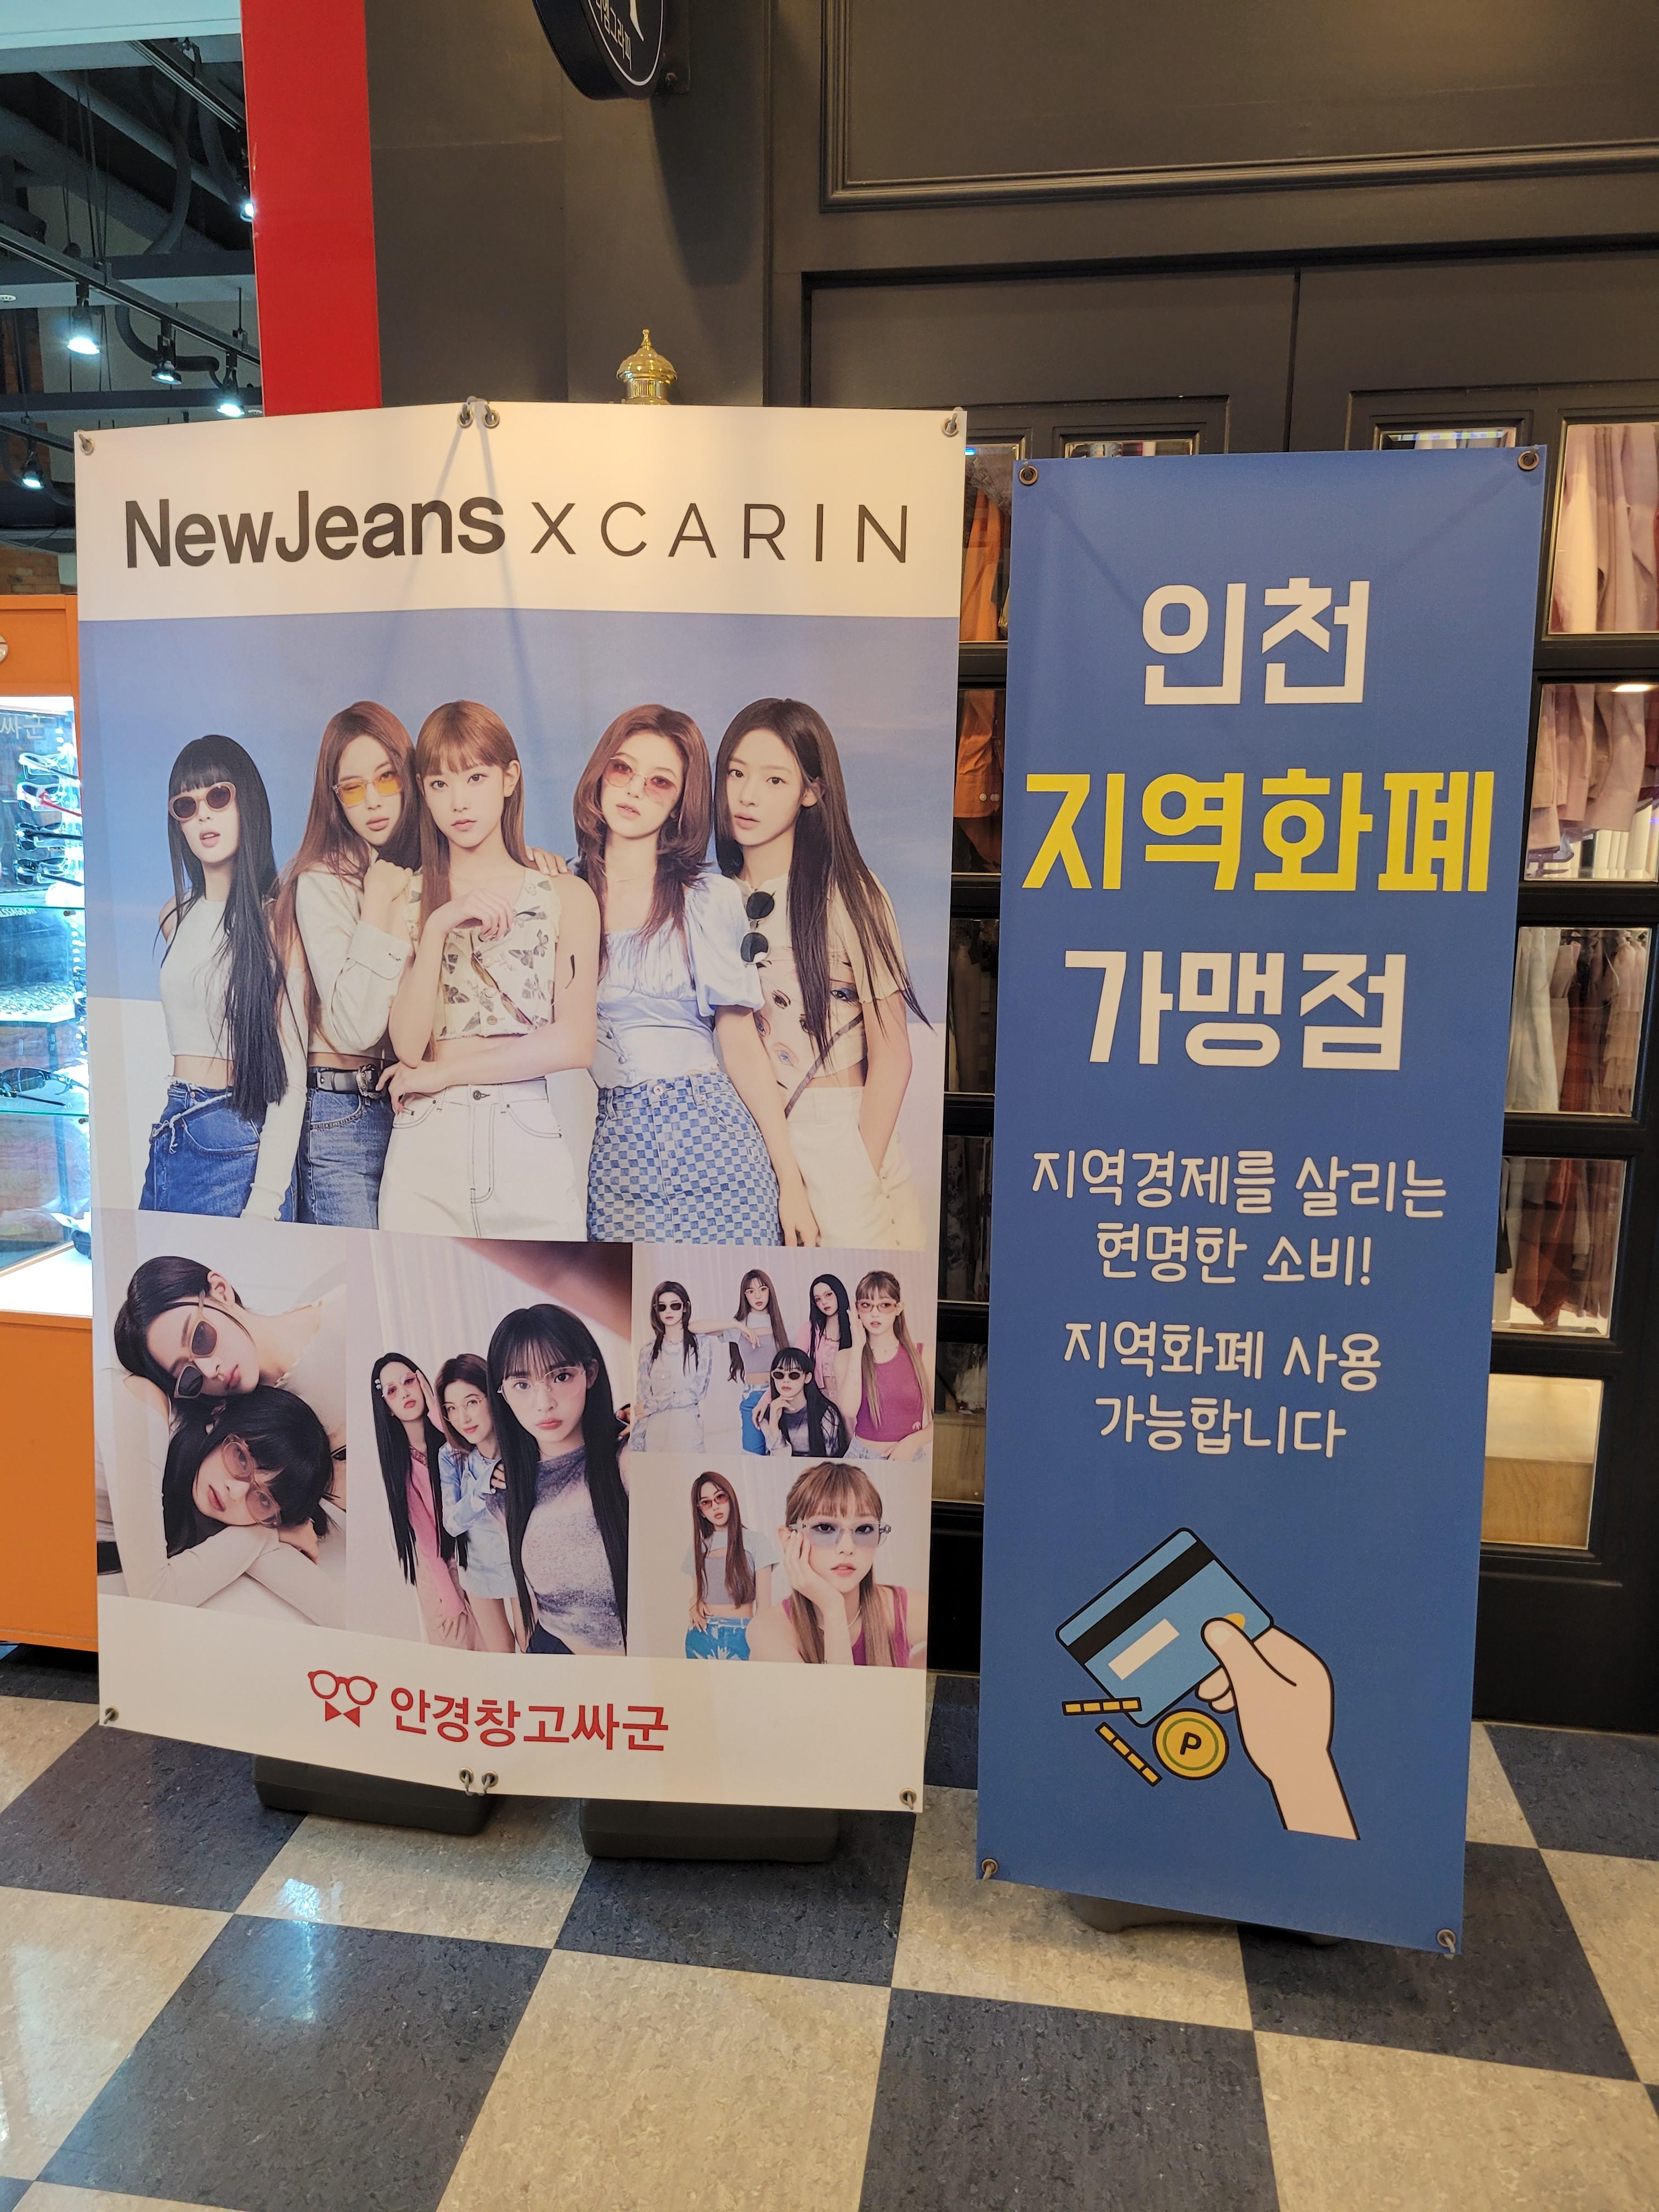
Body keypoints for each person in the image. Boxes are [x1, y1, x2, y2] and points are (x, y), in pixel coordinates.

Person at [573, 704, 809, 1243]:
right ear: (600, 774)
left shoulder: (708, 898)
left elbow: (741, 1044)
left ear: (681, 803)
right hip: (619, 1152)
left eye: (659, 782)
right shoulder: (563, 894)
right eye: (622, 769)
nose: (634, 790)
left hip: (719, 1145)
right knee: (634, 1291)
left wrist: (790, 1183)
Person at [378, 701, 599, 1236]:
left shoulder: (564, 894)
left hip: (524, 1126)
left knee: (549, 1287)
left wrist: (447, 1072)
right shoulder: (408, 897)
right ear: (423, 791)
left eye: (475, 778)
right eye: (440, 784)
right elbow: (408, 1046)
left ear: (509, 778)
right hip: (427, 1137)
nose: (459, 802)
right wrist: (437, 926)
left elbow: (575, 1044)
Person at [716, 697, 927, 1249]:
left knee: (864, 1297)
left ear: (811, 792)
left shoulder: (850, 894)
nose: (747, 795)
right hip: (747, 1139)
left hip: (838, 1132)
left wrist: (857, 1172)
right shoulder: (712, 901)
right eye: (736, 773)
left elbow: (894, 1055)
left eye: (774, 780)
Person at [142, 736, 304, 1220]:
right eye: (186, 806)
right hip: (173, 1128)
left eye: (218, 796)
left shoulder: (278, 920)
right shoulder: (174, 915)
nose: (203, 816)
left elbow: (291, 1076)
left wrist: (267, 1201)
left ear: (247, 801)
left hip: (234, 1138)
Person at [272, 702, 421, 1227]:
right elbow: (356, 1026)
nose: (373, 801)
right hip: (342, 1116)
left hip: (416, 1110)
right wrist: (377, 902)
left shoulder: (427, 872)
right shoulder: (322, 880)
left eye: (387, 778)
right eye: (353, 788)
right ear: (334, 798)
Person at [112, 1253, 347, 1491]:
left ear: (221, 1291)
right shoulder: (249, 1438)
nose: (210, 1371)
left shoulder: (349, 1310)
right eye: (189, 1377)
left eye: (200, 1338)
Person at [116, 1385, 342, 1622]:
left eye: (263, 1499)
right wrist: (265, 1535)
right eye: (241, 1458)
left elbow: (338, 1612)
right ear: (219, 1416)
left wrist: (265, 1533)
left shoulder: (248, 1519)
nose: (235, 1492)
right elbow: (154, 1595)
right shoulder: (149, 1420)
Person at [487, 1304, 628, 1654]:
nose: (543, 1403)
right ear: (502, 1393)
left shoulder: (627, 1461)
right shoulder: (505, 1493)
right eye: (522, 1384)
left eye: (561, 1377)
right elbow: (532, 1599)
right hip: (553, 1659)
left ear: (589, 1374)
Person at [747, 1463, 926, 1667]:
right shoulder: (769, 1630)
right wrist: (833, 1607)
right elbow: (837, 1690)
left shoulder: (903, 1610)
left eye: (864, 1529)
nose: (847, 1548)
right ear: (789, 1539)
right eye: (825, 1528)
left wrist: (912, 1672)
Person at [371, 1352, 476, 1647]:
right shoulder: (401, 1466)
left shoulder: (451, 1439)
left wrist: (437, 1415)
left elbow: (475, 1454)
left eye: (409, 1382)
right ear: (387, 1407)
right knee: (458, 1653)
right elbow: (428, 1541)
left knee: (494, 1650)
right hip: (438, 1568)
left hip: (474, 1556)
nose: (405, 1393)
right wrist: (449, 1594)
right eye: (393, 1391)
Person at [435, 1352, 517, 1654]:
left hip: (521, 1566)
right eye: (452, 1409)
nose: (463, 1418)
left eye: (471, 1402)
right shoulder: (451, 1456)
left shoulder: (522, 1446)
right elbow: (451, 1523)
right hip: (478, 1568)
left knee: (534, 1649)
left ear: (492, 1396)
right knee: (500, 1655)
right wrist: (484, 1486)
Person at [833, 1269, 933, 1462]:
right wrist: (858, 1346)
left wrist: (912, 1443)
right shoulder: (845, 1357)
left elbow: (940, 1422)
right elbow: (849, 1410)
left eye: (884, 1305)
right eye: (866, 1305)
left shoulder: (923, 1356)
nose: (875, 1313)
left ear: (898, 1308)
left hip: (909, 1458)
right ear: (856, 1309)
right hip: (860, 1457)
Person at [631, 1279, 734, 1451]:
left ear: (685, 1307)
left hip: (688, 1434)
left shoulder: (701, 1344)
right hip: (654, 1436)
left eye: (675, 1306)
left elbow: (697, 1392)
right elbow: (642, 1405)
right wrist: (636, 1447)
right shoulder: (648, 1350)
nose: (669, 1311)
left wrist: (653, 1404)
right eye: (662, 1307)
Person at [684, 1470, 776, 1660]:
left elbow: (764, 1609)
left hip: (744, 1636)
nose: (715, 1506)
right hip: (701, 1635)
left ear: (731, 1498)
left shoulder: (757, 1542)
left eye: (720, 1497)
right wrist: (693, 1602)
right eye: (706, 1503)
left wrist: (761, 1644)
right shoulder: (697, 1548)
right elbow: (697, 1594)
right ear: (700, 1511)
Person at [727, 1267, 790, 1454]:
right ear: (744, 1295)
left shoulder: (782, 1324)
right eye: (751, 1291)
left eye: (763, 1289)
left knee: (780, 1453)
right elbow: (694, 1328)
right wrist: (738, 1326)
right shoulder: (739, 1325)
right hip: (752, 1397)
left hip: (780, 1396)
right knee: (753, 1455)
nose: (758, 1296)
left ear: (770, 1291)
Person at [758, 1346, 850, 1457]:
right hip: (784, 1467)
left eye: (794, 1375)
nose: (786, 1380)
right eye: (779, 1375)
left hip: (821, 1468)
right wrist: (774, 1427)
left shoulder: (826, 1414)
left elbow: (833, 1459)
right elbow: (778, 1461)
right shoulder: (768, 1416)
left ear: (807, 1378)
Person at [801, 1271, 853, 1399]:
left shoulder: (855, 1327)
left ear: (839, 1293)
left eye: (828, 1295)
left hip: (852, 1398)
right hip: (821, 1400)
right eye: (818, 1299)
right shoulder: (810, 1329)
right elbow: (792, 1364)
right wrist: (767, 1400)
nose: (824, 1302)